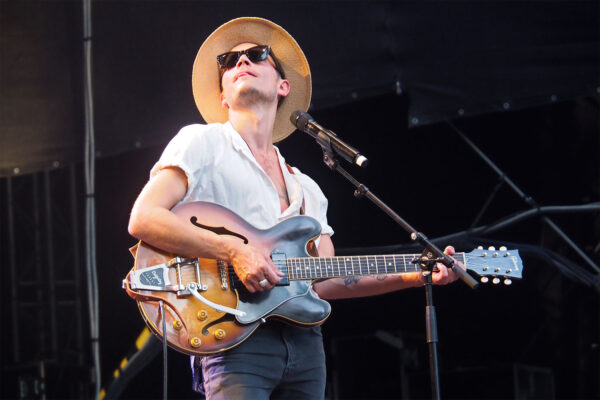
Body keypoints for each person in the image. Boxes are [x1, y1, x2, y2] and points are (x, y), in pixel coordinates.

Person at [128, 17, 462, 399]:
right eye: (229, 62)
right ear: (222, 96)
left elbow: (325, 280)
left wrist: (416, 274)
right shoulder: (202, 142)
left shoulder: (308, 189)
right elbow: (144, 217)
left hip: (305, 345)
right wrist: (234, 250)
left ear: (283, 87)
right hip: (233, 338)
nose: (241, 63)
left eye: (256, 55)